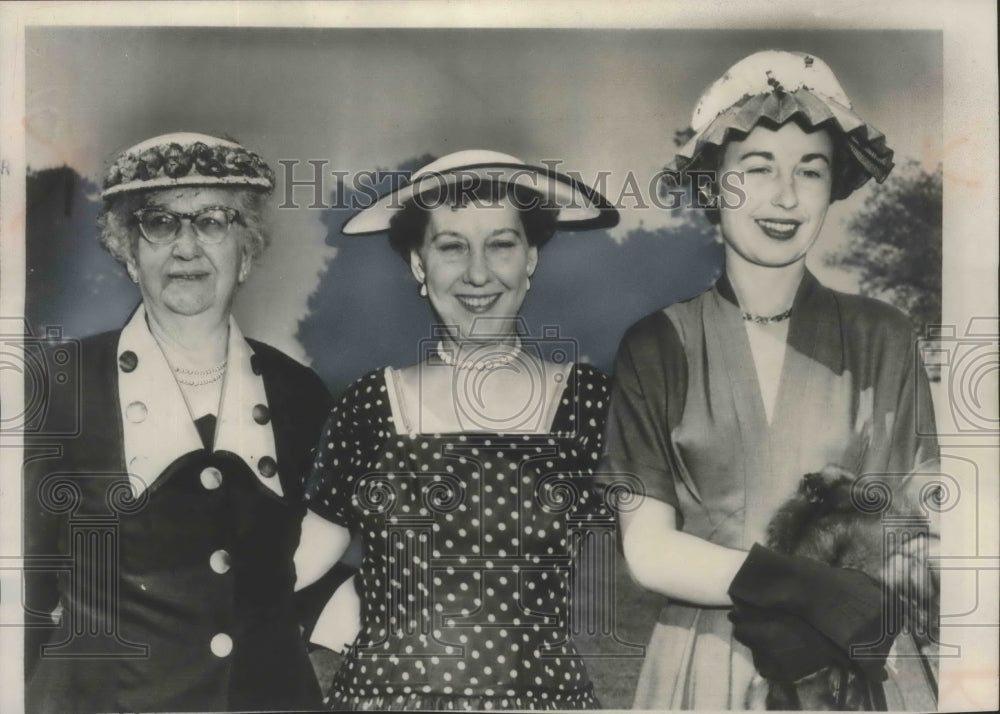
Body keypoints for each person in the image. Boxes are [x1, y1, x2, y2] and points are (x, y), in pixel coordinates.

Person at [601, 51, 939, 709]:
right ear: (713, 184)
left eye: (809, 171)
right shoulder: (657, 345)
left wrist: (860, 605)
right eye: (757, 169)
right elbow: (647, 551)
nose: (785, 196)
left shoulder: (884, 336)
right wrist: (802, 590)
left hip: (853, 663)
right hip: (705, 663)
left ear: (833, 185)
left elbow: (912, 531)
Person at [294, 150, 620, 710]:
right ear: (419, 264)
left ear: (531, 257)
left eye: (501, 244)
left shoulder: (589, 403)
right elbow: (303, 556)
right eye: (451, 247)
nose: (477, 272)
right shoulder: (373, 403)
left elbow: (671, 533)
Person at [23, 132, 333, 712]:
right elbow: (19, 591)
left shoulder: (301, 396)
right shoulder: (54, 386)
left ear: (246, 249)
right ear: (127, 249)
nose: (187, 248)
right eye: (160, 224)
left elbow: (303, 575)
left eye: (214, 222)